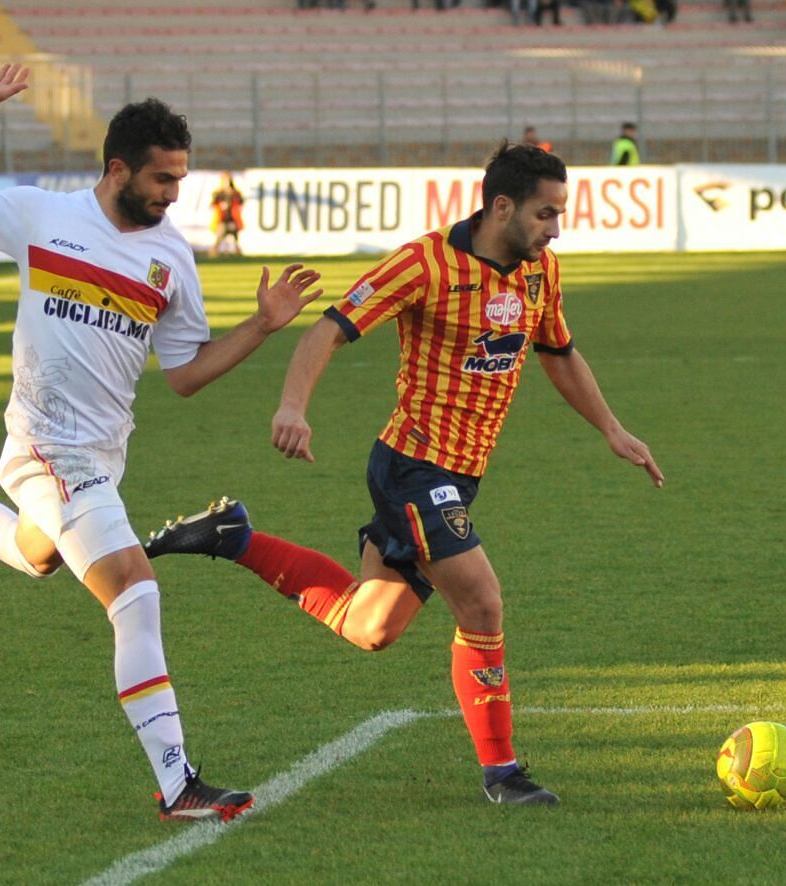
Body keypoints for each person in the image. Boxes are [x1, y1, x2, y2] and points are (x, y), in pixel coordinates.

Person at [0, 64, 323, 823]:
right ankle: (177, 783)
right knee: (135, 593)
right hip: (46, 445)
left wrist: (262, 326)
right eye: (162, 178)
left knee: (37, 554)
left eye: (180, 179)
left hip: (104, 454)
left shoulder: (172, 259)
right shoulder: (39, 215)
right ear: (117, 169)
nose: (174, 193)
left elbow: (185, 374)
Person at [143, 143, 664, 806]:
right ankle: (502, 773)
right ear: (502, 207)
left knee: (370, 627)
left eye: (559, 214)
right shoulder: (425, 263)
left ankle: (233, 536)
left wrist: (611, 428)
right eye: (545, 214)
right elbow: (328, 331)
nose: (555, 229)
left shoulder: (540, 272)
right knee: (482, 602)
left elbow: (557, 352)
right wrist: (292, 407)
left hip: (459, 476)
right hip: (413, 467)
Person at [209, 172, 245, 258]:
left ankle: (237, 252)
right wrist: (220, 205)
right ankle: (214, 252)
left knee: (235, 237)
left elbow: (241, 202)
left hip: (233, 220)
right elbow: (213, 204)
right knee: (220, 234)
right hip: (221, 221)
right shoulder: (218, 193)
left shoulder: (235, 193)